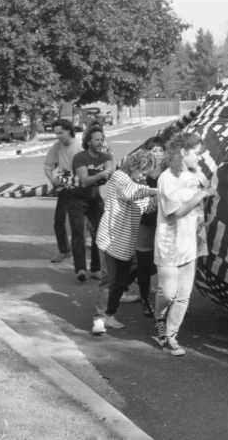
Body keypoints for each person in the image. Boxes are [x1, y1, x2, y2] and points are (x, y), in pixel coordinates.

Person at [154, 132, 218, 356]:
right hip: (169, 243)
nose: (199, 158)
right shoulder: (166, 178)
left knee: (183, 296)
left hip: (190, 242)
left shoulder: (195, 175)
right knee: (168, 294)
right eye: (196, 153)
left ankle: (170, 337)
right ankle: (159, 316)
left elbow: (209, 193)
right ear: (182, 152)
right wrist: (200, 195)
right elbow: (176, 213)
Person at [92, 151, 158, 335]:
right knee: (107, 280)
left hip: (127, 241)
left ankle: (110, 314)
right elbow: (132, 193)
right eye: (143, 171)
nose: (144, 175)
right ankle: (99, 319)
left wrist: (159, 199)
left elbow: (146, 206)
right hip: (110, 238)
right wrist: (160, 191)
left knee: (120, 281)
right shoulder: (119, 177)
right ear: (136, 165)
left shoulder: (140, 183)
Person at [124, 136, 166, 315]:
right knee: (144, 263)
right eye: (154, 150)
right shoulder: (142, 173)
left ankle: (166, 303)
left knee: (163, 265)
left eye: (160, 150)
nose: (157, 154)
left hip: (164, 224)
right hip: (145, 223)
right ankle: (145, 300)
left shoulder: (169, 171)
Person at [69, 125, 113, 282]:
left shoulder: (106, 157)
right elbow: (85, 181)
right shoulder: (80, 158)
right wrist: (100, 174)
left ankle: (95, 269)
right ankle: (80, 269)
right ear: (88, 141)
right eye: (97, 140)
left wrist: (103, 174)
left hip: (94, 199)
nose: (100, 142)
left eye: (102, 139)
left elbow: (109, 174)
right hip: (76, 198)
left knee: (101, 232)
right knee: (78, 232)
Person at [43, 119, 83, 263]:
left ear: (69, 130)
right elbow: (48, 166)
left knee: (80, 224)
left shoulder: (81, 144)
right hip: (65, 187)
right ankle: (65, 250)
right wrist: (52, 179)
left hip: (82, 188)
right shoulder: (56, 147)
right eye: (56, 133)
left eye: (61, 132)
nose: (58, 136)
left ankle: (90, 260)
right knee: (59, 220)